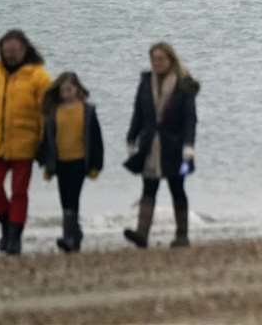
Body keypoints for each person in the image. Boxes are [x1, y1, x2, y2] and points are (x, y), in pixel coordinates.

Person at [0, 29, 51, 255]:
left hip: (25, 145)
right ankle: (6, 224)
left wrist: (45, 141)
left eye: (15, 51)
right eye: (6, 51)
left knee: (19, 192)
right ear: (0, 51)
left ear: (25, 50)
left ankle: (14, 237)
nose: (11, 55)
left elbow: (47, 112)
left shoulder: (39, 76)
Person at [123, 42, 200, 248]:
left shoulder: (184, 84)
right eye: (153, 59)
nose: (156, 63)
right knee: (148, 188)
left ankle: (182, 235)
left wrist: (189, 146)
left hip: (175, 146)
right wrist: (131, 138)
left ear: (170, 60)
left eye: (160, 59)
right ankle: (141, 234)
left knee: (177, 188)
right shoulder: (146, 82)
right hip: (150, 145)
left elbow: (190, 119)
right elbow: (138, 112)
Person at [38, 72, 105, 252]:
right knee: (64, 199)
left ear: (77, 89)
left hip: (79, 161)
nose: (66, 93)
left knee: (72, 198)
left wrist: (96, 166)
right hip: (60, 162)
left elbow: (97, 140)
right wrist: (46, 165)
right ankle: (75, 233)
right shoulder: (53, 112)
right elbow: (47, 141)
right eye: (63, 90)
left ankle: (69, 237)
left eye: (69, 89)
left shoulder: (87, 110)